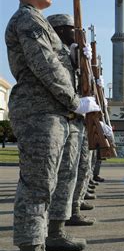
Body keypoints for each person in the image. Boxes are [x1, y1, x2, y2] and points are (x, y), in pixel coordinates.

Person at [6, 0, 100, 251]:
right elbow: (46, 65)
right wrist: (75, 101)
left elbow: (59, 64)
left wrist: (79, 58)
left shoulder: (38, 21)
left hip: (49, 113)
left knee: (44, 185)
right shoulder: (27, 19)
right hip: (38, 112)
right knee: (36, 185)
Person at [46, 14, 95, 230]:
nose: (75, 34)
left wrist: (84, 65)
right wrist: (77, 103)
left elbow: (81, 84)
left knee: (72, 172)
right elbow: (57, 80)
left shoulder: (68, 53)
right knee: (52, 178)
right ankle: (53, 229)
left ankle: (68, 215)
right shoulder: (53, 50)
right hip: (55, 116)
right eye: (71, 29)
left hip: (72, 119)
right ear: (59, 30)